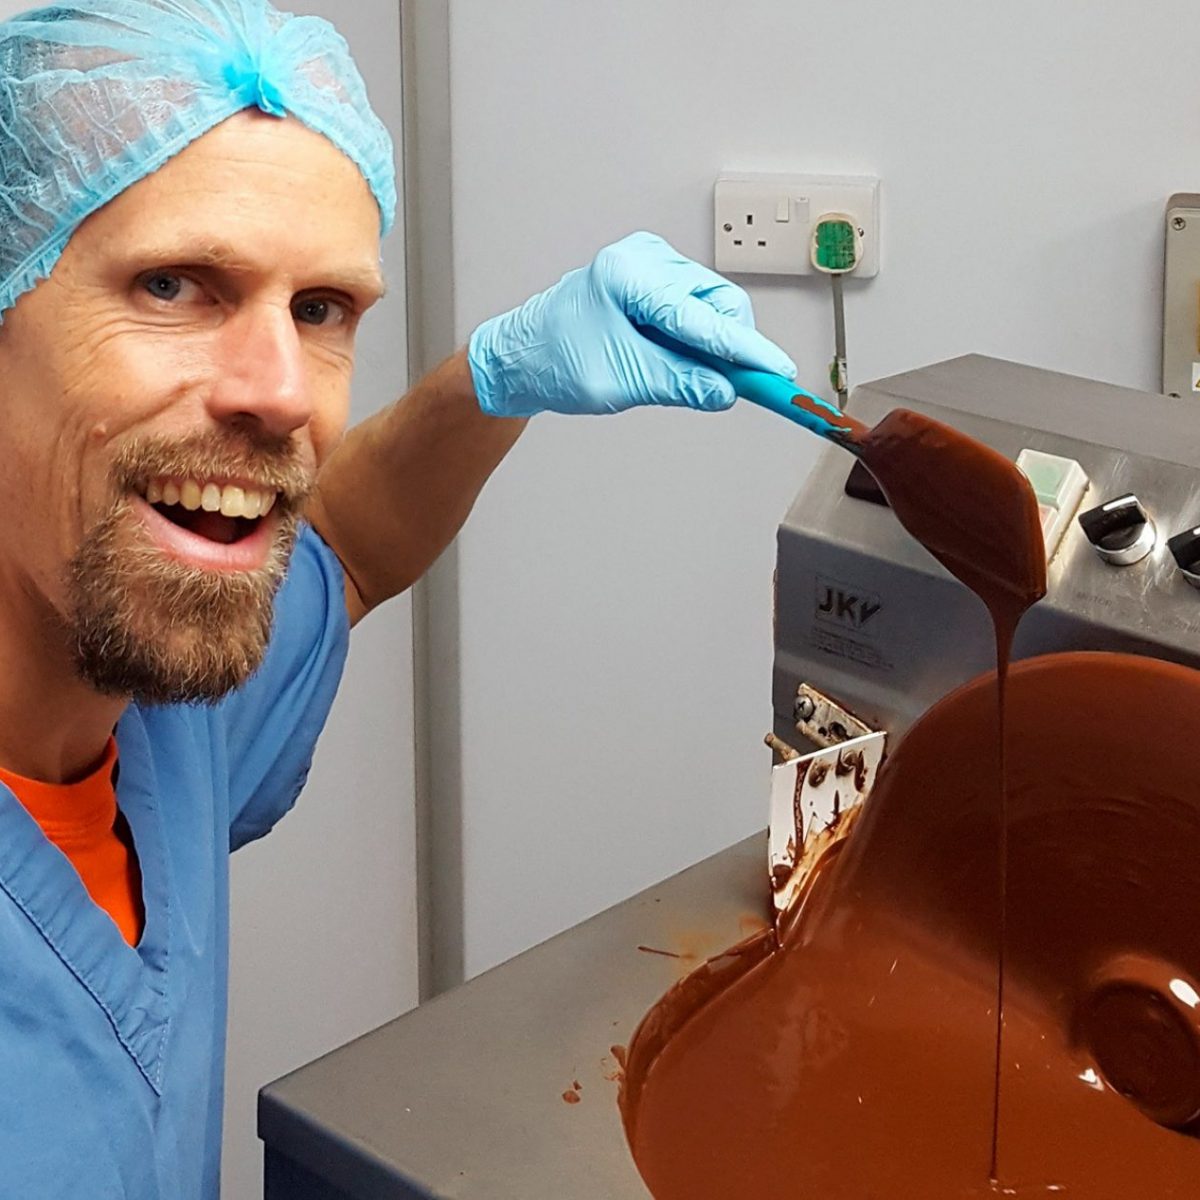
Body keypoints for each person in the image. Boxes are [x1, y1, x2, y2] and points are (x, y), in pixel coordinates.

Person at [0, 1, 797, 1195]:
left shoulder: (165, 718)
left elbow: (350, 548)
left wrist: (497, 377)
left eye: (320, 310)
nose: (280, 394)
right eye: (171, 284)